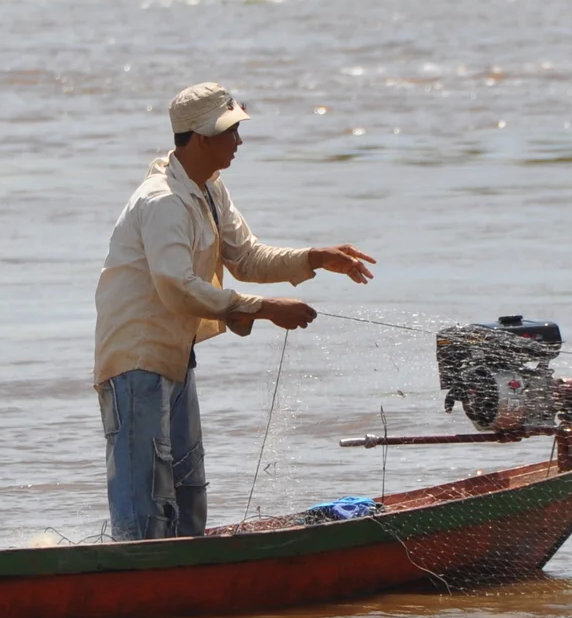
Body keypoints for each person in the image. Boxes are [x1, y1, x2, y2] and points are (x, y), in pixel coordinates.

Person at [93, 82, 376, 540]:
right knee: (144, 500)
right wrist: (263, 308)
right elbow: (176, 287)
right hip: (136, 359)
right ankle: (139, 580)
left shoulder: (208, 190)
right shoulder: (162, 200)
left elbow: (245, 258)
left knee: (188, 488)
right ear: (201, 138)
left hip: (174, 355)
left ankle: (188, 593)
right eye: (231, 133)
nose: (239, 142)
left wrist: (314, 258)